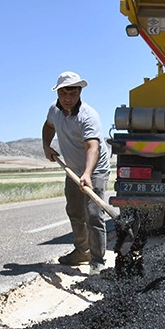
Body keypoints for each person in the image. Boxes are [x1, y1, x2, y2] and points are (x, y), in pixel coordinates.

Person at [42, 71, 111, 275]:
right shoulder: (54, 110)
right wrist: (46, 145)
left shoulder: (88, 116)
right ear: (58, 93)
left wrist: (88, 174)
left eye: (72, 93)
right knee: (74, 211)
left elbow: (93, 148)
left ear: (79, 92)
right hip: (72, 169)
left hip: (95, 168)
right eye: (64, 93)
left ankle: (97, 261)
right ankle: (82, 251)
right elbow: (48, 127)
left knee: (93, 214)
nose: (68, 98)